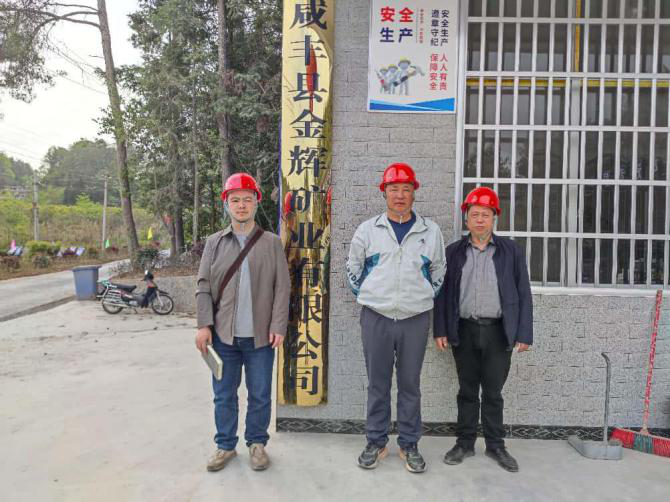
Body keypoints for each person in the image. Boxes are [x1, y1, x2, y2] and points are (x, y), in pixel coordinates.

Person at [347, 163, 446, 473]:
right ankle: (376, 442)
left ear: (414, 193)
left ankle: (409, 443)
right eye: (394, 189)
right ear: (384, 193)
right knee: (377, 384)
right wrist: (372, 295)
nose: (400, 195)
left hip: (415, 319)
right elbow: (352, 270)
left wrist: (422, 296)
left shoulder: (430, 231)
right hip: (375, 317)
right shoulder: (368, 230)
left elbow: (439, 271)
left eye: (406, 189)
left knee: (410, 384)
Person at [195, 173, 290, 472]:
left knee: (260, 394)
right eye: (235, 200)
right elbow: (203, 285)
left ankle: (257, 443)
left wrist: (278, 325)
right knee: (224, 395)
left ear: (256, 203)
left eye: (247, 200)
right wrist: (203, 325)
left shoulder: (271, 243)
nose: (241, 205)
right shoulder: (214, 243)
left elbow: (282, 287)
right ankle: (225, 445)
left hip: (260, 337)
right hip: (223, 337)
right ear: (226, 204)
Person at [434, 187, 533, 473]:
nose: (479, 220)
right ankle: (464, 443)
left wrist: (524, 333)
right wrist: (440, 329)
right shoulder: (453, 252)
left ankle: (496, 445)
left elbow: (523, 293)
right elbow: (442, 294)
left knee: (493, 392)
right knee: (467, 391)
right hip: (463, 329)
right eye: (474, 214)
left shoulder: (510, 251)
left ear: (494, 219)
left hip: (498, 332)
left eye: (485, 215)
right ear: (466, 219)